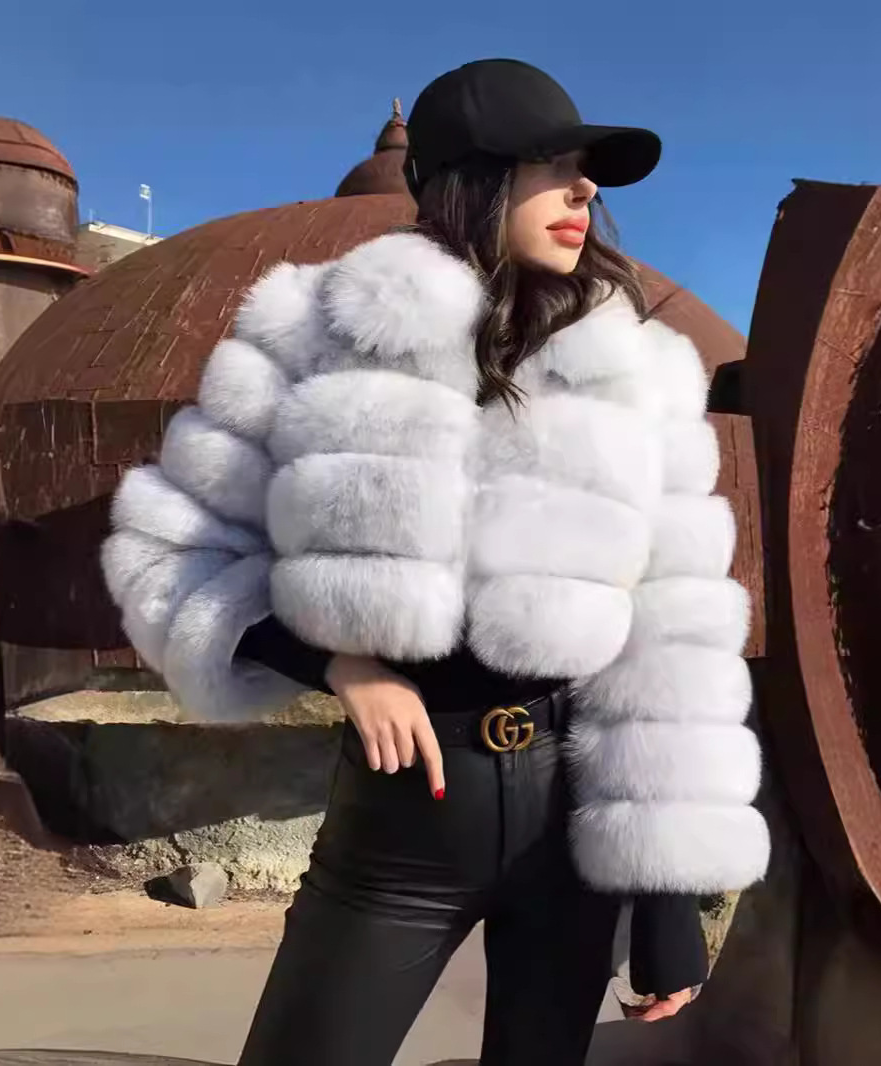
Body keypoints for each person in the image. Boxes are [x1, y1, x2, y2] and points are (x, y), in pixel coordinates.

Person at [101, 58, 770, 1066]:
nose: (584, 188)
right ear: (472, 175)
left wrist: (669, 896)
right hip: (403, 818)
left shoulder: (638, 369)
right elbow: (169, 548)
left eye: (586, 169)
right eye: (552, 164)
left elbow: (671, 627)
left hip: (573, 824)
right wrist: (338, 664)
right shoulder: (315, 335)